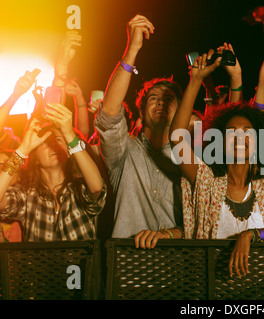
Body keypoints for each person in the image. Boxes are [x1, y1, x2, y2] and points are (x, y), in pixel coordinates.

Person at [159, 50, 264, 279]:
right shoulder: (206, 178)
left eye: (247, 133)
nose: (239, 138)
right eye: (231, 133)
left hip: (260, 292)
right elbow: (177, 139)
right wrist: (195, 80)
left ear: (258, 142)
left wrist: (251, 235)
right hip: (211, 290)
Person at [94, 14, 184, 241]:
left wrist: (170, 234)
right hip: (129, 266)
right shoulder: (124, 151)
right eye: (153, 98)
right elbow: (109, 117)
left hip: (180, 264)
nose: (161, 102)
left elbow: (204, 217)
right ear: (141, 111)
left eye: (169, 98)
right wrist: (131, 50)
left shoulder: (189, 157)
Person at [0, 103, 107, 241]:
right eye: (45, 142)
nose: (53, 145)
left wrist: (69, 135)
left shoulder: (78, 188)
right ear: (36, 158)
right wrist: (23, 150)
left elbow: (96, 188)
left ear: (68, 153)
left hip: (79, 263)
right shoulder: (27, 194)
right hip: (42, 263)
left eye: (58, 140)